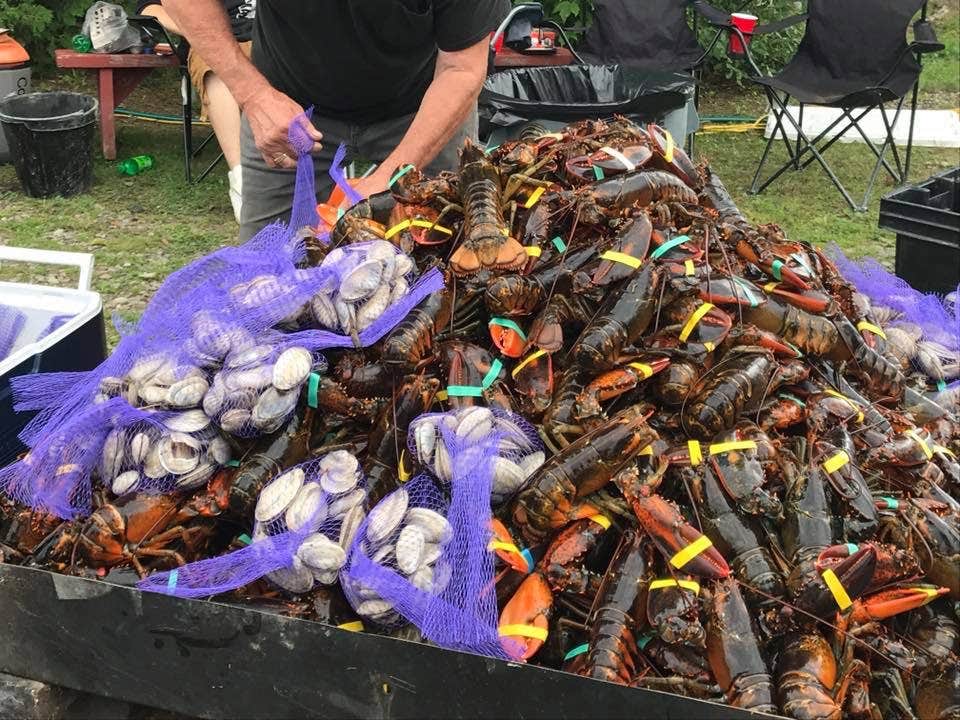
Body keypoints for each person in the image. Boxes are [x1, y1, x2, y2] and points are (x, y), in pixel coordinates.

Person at [160, 0, 509, 242]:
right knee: (264, 281)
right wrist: (254, 95)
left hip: (422, 109)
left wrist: (392, 175)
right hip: (289, 109)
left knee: (447, 258)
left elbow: (463, 68)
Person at [137, 0, 256, 223]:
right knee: (217, 68)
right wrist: (197, 27)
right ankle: (243, 180)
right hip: (214, 43)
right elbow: (148, 7)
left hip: (276, 41)